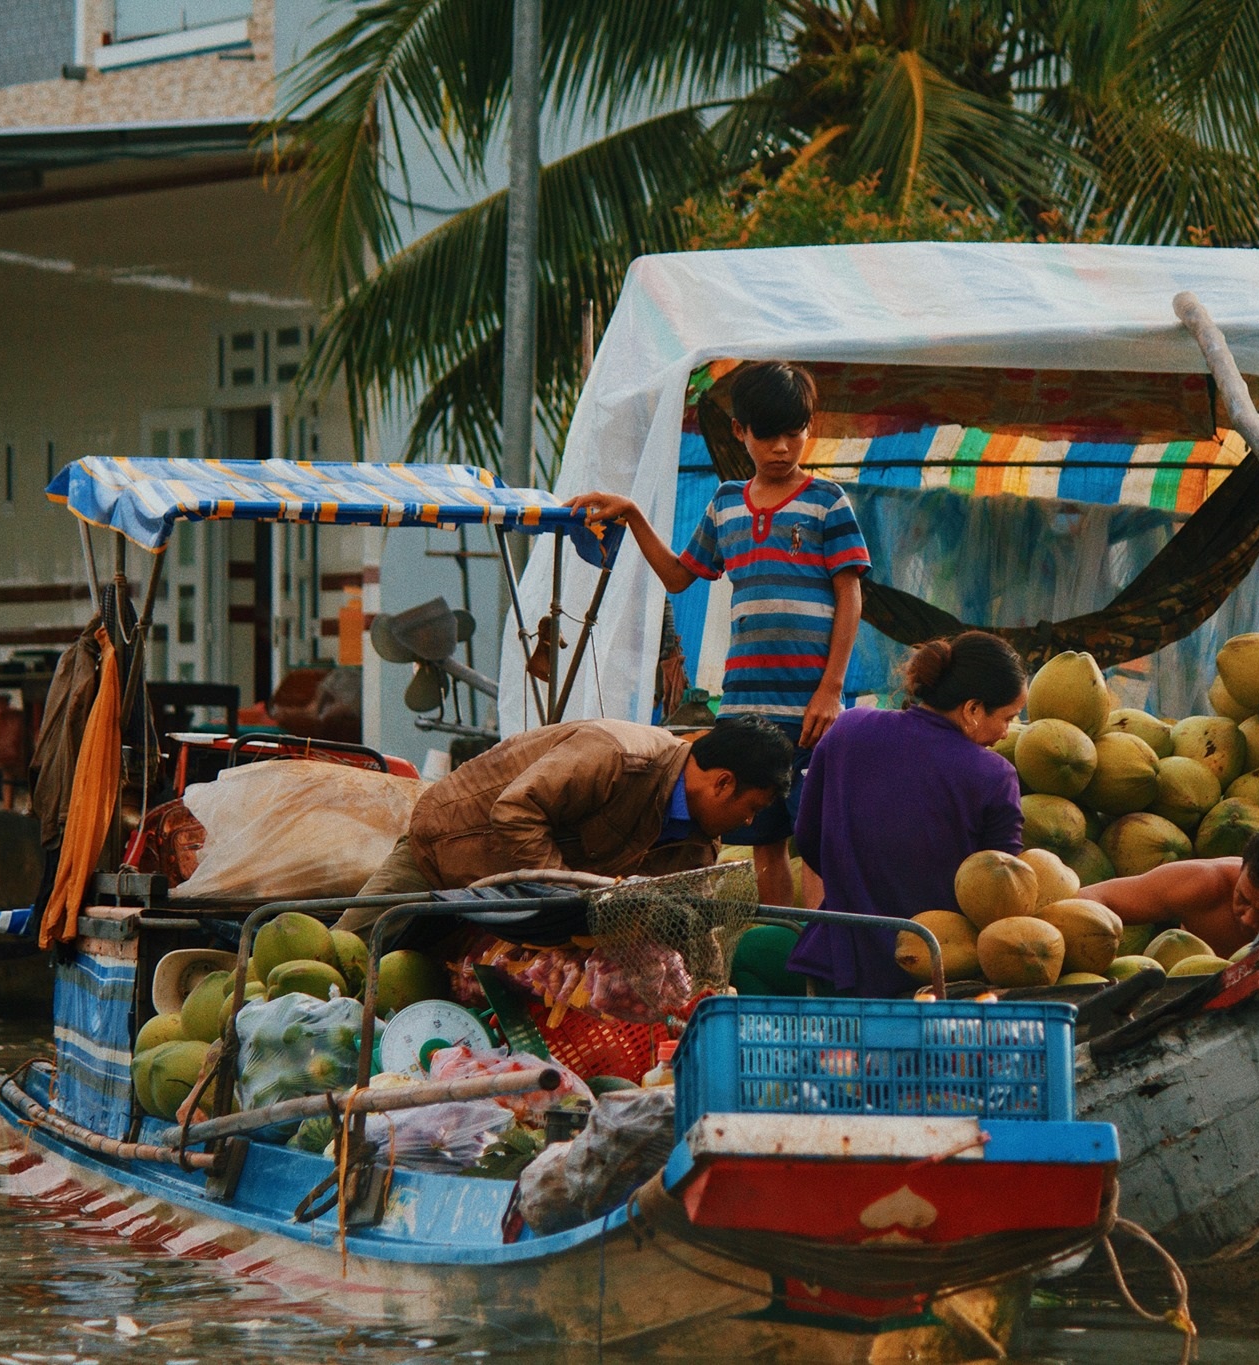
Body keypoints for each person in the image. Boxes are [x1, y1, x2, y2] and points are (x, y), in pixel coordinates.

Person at [566, 361, 869, 910]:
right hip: (745, 708)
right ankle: (781, 942)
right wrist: (633, 514)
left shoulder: (828, 502)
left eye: (793, 433)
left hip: (810, 708)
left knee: (819, 841)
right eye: (767, 434)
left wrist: (831, 688)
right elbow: (679, 577)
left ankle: (822, 956)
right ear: (740, 433)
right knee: (764, 841)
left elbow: (851, 595)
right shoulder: (727, 503)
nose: (782, 447)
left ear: (809, 429)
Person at [336, 714, 796, 933]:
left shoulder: (698, 848)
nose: (750, 821)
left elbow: (670, 921)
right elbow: (516, 810)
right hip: (443, 853)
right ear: (722, 783)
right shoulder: (618, 754)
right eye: (751, 806)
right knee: (340, 965)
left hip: (503, 915)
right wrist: (568, 905)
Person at [789, 632, 1029, 997]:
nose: (1006, 732)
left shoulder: (849, 729)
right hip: (936, 979)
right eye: (1007, 717)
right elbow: (1001, 893)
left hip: (837, 967)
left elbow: (808, 838)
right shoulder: (995, 776)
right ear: (973, 710)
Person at [1081, 821, 1259, 958]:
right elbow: (1091, 899)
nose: (1247, 918)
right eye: (1243, 899)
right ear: (1242, 868)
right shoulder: (1206, 883)